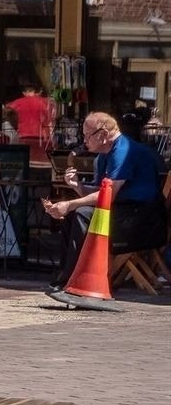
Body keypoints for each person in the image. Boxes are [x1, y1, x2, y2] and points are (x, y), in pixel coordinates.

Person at [43, 111, 166, 291]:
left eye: (87, 135)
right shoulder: (103, 155)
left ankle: (76, 279)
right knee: (74, 214)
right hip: (125, 213)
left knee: (81, 214)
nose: (83, 140)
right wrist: (77, 186)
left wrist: (69, 204)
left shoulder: (123, 152)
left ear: (103, 134)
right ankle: (66, 275)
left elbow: (108, 195)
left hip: (143, 222)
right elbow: (100, 193)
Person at [3, 82, 52, 163]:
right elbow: (50, 117)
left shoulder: (18, 102)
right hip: (40, 137)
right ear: (36, 91)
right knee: (38, 161)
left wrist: (15, 124)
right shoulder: (44, 102)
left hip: (24, 136)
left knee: (25, 161)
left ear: (24, 93)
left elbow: (6, 111)